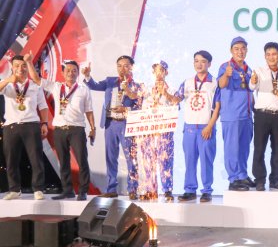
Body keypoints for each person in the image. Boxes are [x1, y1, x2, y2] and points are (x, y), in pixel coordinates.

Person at [26, 57, 96, 201]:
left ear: (78, 73)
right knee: (63, 161)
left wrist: (93, 128)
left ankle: (83, 191)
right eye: (68, 70)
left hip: (77, 129)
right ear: (63, 73)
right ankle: (67, 190)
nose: (71, 73)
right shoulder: (56, 87)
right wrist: (28, 62)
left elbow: (89, 111)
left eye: (74, 70)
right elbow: (36, 78)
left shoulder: (83, 90)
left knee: (82, 161)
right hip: (59, 129)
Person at [83, 55, 140, 198]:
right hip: (110, 124)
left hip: (126, 124)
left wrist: (126, 109)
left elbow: (140, 106)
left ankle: (133, 189)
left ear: (132, 67)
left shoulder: (137, 86)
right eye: (119, 66)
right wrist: (88, 76)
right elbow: (94, 85)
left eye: (126, 65)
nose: (122, 69)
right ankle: (111, 189)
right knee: (110, 157)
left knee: (131, 158)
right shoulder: (110, 81)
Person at [0, 55, 48, 200]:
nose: (20, 68)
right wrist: (8, 80)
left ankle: (38, 189)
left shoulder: (35, 85)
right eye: (17, 66)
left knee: (36, 159)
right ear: (12, 67)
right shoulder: (7, 84)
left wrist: (44, 123)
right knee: (11, 160)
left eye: (23, 65)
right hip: (11, 126)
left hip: (31, 125)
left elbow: (43, 106)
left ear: (28, 67)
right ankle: (15, 190)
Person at [177, 51, 220, 203]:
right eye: (196, 61)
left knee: (206, 161)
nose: (199, 64)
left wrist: (209, 126)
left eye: (203, 61)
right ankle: (190, 190)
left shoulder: (215, 83)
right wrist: (164, 91)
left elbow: (217, 107)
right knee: (189, 160)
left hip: (206, 127)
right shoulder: (187, 82)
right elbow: (176, 98)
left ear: (209, 64)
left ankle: (207, 191)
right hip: (189, 128)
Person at [250, 42, 278, 191]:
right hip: (262, 115)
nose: (271, 57)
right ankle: (259, 180)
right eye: (268, 54)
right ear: (265, 56)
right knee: (259, 149)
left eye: (274, 54)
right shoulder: (259, 71)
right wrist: (253, 81)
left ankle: (275, 179)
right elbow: (252, 86)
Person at [136, 61, 178, 202]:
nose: (159, 73)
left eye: (162, 70)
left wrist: (165, 93)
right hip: (148, 130)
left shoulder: (172, 89)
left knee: (165, 160)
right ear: (153, 72)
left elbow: (175, 106)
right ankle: (150, 189)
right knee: (148, 159)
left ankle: (167, 190)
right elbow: (138, 103)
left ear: (166, 72)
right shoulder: (146, 89)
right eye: (156, 70)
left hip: (164, 131)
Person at [217, 36, 255, 191]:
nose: (240, 51)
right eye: (236, 49)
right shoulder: (225, 67)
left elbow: (250, 89)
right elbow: (221, 84)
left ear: (246, 50)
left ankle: (242, 175)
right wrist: (226, 75)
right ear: (231, 50)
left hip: (247, 115)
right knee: (232, 148)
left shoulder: (248, 69)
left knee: (244, 148)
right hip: (232, 115)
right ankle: (233, 179)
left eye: (243, 48)